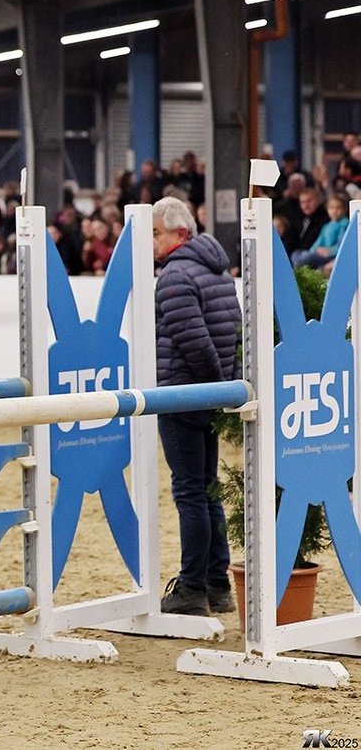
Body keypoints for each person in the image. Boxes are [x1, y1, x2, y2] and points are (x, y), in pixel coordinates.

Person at [152, 196, 242, 617]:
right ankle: (217, 584)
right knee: (208, 493)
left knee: (190, 492)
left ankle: (190, 589)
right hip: (212, 395)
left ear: (180, 233)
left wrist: (209, 386)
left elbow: (193, 343)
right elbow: (233, 334)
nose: (151, 242)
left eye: (156, 233)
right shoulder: (219, 272)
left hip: (184, 393)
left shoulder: (174, 277)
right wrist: (223, 388)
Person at [292, 193, 349, 269]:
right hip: (320, 252)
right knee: (296, 254)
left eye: (338, 208)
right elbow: (319, 241)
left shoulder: (344, 224)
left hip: (331, 254)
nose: (334, 211)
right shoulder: (327, 226)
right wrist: (312, 250)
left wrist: (329, 251)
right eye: (331, 208)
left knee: (305, 259)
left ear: (345, 209)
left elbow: (342, 244)